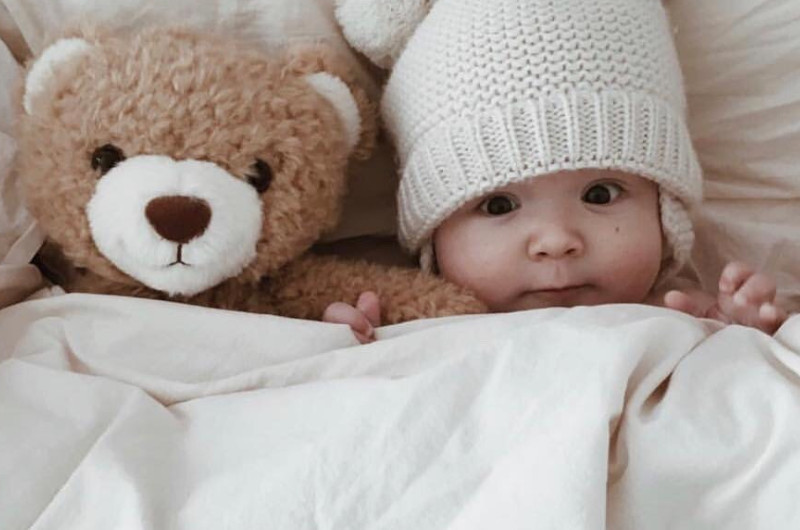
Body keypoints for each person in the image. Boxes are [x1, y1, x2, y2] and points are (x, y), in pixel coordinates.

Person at [324, 0, 788, 343]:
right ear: (432, 237)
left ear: (666, 213)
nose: (556, 240)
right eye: (498, 204)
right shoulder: (417, 328)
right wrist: (358, 345)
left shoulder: (685, 314)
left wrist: (748, 334)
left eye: (600, 194)